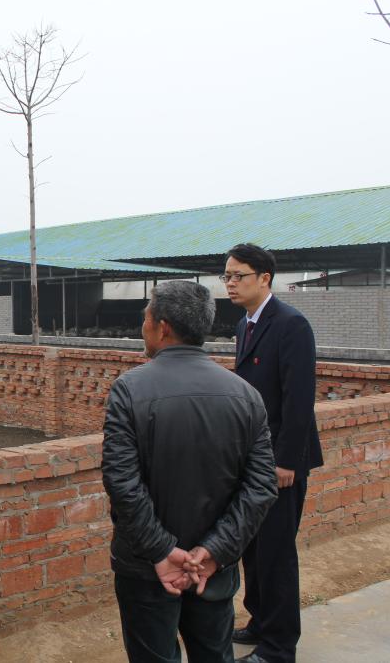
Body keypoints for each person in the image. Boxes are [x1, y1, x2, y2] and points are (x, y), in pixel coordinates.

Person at [102, 280, 278, 663]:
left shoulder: (129, 390)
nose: (143, 326)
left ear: (162, 326)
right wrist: (215, 551)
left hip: (147, 569)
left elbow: (122, 482)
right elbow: (262, 486)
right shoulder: (245, 395)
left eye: (146, 318)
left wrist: (162, 550)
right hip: (211, 571)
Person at [222, 243, 324, 663]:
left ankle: (279, 648)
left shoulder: (291, 324)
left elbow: (299, 400)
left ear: (264, 278)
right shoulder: (246, 324)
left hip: (280, 461)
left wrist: (286, 461)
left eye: (238, 276)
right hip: (253, 457)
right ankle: (261, 622)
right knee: (253, 547)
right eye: (227, 276)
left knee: (277, 553)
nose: (230, 283)